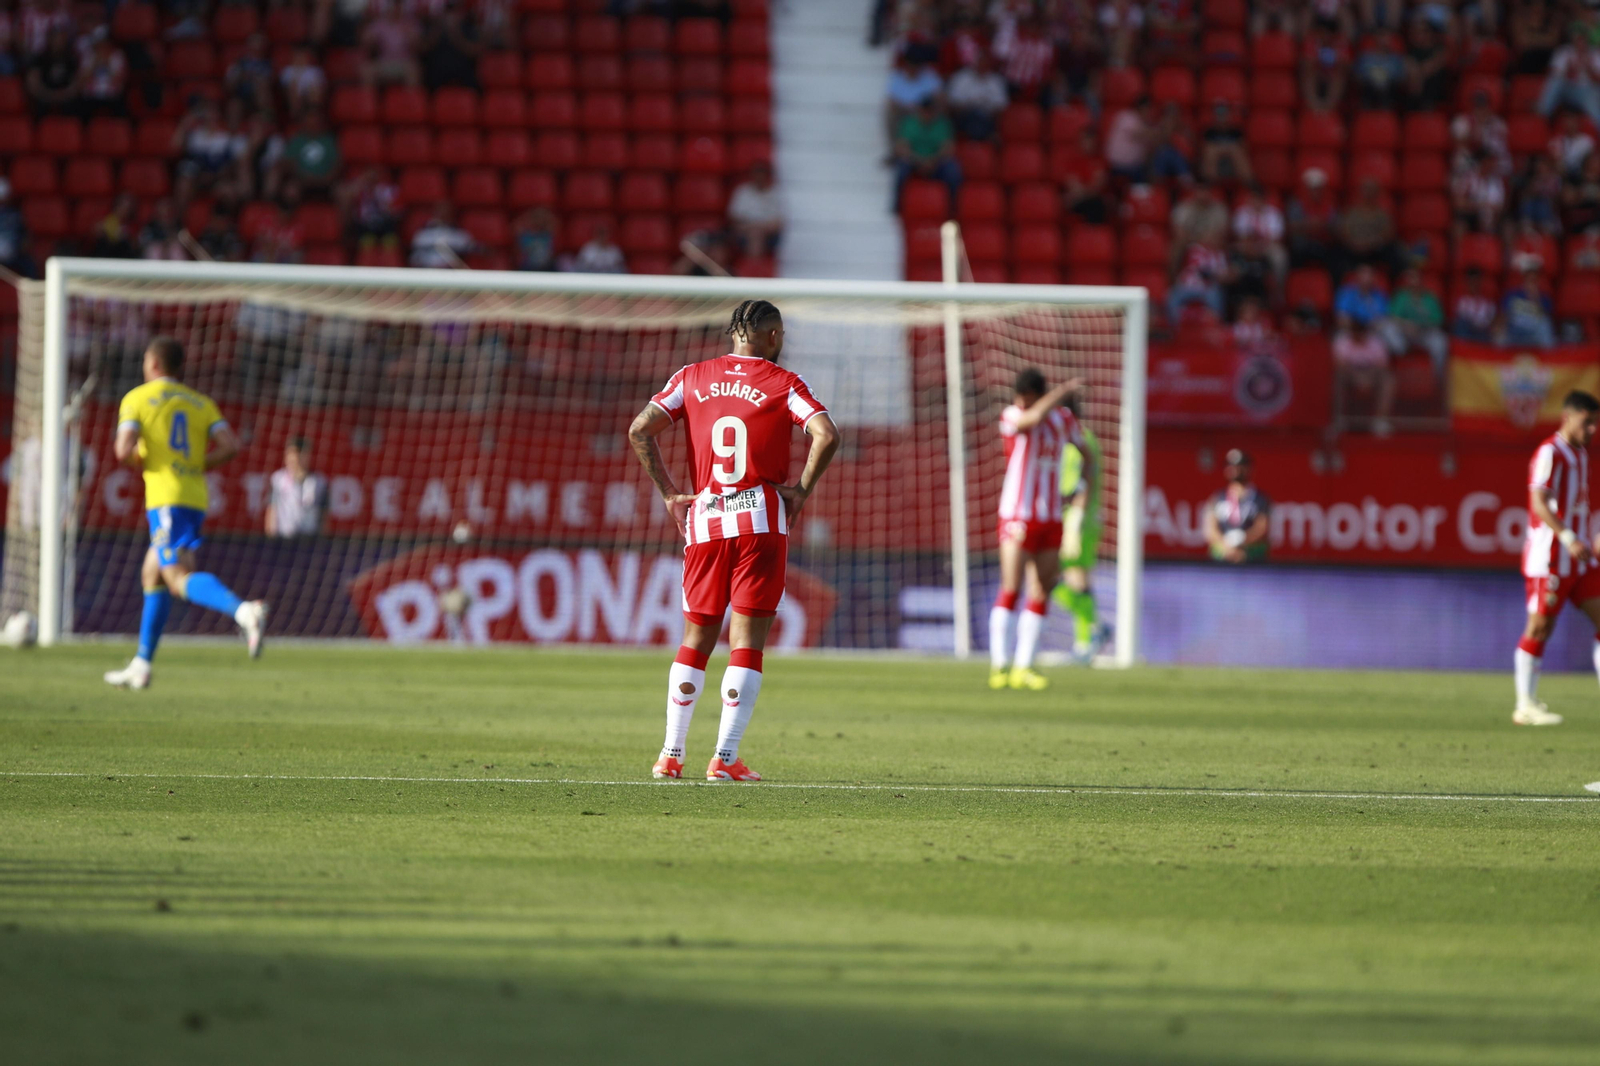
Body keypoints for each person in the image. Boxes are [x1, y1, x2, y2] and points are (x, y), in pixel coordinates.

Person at [627, 300, 840, 782]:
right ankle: (724, 758)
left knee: (695, 639)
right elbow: (826, 434)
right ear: (774, 336)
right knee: (746, 643)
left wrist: (670, 494)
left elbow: (640, 429)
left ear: (733, 334)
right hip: (760, 521)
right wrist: (801, 491)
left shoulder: (691, 377)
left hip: (705, 520)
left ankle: (670, 754)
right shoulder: (784, 383)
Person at [102, 337, 267, 690]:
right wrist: (193, 465)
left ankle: (244, 611)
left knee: (177, 578)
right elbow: (230, 446)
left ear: (153, 363)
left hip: (165, 499)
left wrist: (145, 459)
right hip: (194, 496)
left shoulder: (137, 398)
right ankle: (142, 664)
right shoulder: (200, 402)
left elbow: (122, 450)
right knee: (153, 573)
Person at [989, 368, 1084, 691]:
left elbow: (1084, 452)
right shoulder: (1013, 415)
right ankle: (999, 664)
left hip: (1051, 516)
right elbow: (1030, 420)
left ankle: (1024, 666)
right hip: (1017, 515)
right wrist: (1062, 392)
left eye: (1026, 398)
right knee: (1011, 586)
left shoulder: (1063, 420)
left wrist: (1079, 489)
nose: (1021, 403)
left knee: (1042, 588)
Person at [1512, 390, 1600, 726]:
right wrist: (1567, 536)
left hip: (1580, 557)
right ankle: (1525, 705)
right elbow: (1538, 501)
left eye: (1595, 423)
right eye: (1586, 422)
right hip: (1550, 556)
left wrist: (1586, 536)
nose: (1592, 430)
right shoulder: (1550, 451)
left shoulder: (1580, 454)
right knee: (1540, 626)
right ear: (1567, 417)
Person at [1050, 395, 1105, 663]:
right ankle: (1092, 633)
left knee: (1070, 576)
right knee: (1063, 578)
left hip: (1079, 521)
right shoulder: (1070, 441)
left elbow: (1083, 484)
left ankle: (1088, 638)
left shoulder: (1079, 441)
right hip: (1070, 518)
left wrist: (1074, 522)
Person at [892, 96, 962, 212]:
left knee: (953, 171)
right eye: (925, 111)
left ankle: (952, 208)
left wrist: (932, 161)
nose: (927, 114)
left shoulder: (943, 123)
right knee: (902, 168)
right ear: (919, 110)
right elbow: (902, 147)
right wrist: (919, 160)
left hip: (936, 162)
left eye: (930, 111)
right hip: (914, 161)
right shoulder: (909, 122)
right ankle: (897, 205)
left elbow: (948, 148)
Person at [1203, 448, 1270, 563]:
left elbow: (1262, 528)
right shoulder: (1217, 498)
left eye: (1240, 465)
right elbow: (1210, 530)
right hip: (1223, 555)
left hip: (1250, 554)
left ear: (1249, 468)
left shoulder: (1260, 499)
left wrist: (1242, 541)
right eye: (1231, 465)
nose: (1235, 469)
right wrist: (1227, 547)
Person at [1333, 318, 1396, 434]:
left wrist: (1367, 376)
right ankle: (1339, 418)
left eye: (1361, 332)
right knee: (1337, 377)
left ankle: (1380, 420)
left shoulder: (1376, 342)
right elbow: (1340, 365)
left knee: (1388, 379)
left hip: (1371, 376)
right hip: (1349, 376)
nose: (1358, 335)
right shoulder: (1342, 341)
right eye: (1355, 332)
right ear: (1351, 332)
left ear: (1366, 332)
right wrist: (1357, 376)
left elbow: (1382, 366)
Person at [1387, 267, 1450, 375]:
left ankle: (1438, 377)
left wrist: (1421, 325)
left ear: (1421, 281)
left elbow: (1439, 320)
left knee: (1441, 341)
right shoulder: (1401, 296)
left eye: (1416, 279)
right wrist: (1406, 325)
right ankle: (1397, 368)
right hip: (1404, 333)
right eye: (1411, 279)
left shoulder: (1430, 298)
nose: (1414, 283)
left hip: (1424, 333)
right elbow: (1393, 317)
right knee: (1388, 329)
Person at [1538, 26, 1600, 128]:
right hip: (1567, 89)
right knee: (1556, 82)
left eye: (1583, 39)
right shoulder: (1564, 51)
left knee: (1593, 101)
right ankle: (1541, 114)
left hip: (1587, 91)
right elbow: (1552, 74)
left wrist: (1589, 69)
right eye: (1578, 39)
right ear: (1573, 40)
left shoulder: (1595, 54)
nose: (1581, 43)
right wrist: (1569, 71)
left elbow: (1598, 81)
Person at [265, 437, 327, 538]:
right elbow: (272, 510)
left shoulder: (320, 482)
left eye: (298, 454)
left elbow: (324, 516)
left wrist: (321, 540)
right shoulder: (278, 480)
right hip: (283, 539)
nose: (293, 458)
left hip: (310, 539)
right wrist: (271, 539)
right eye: (290, 454)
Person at [945, 51, 1009, 141]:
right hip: (964, 116)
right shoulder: (961, 77)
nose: (982, 65)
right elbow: (953, 103)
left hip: (987, 117)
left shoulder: (997, 81)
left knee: (980, 118)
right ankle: (984, 135)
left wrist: (983, 108)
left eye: (985, 63)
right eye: (980, 62)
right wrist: (971, 107)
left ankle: (976, 136)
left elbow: (1000, 106)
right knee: (973, 116)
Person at [726, 161, 784, 257]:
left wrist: (760, 228)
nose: (759, 178)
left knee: (757, 233)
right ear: (752, 175)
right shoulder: (742, 192)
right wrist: (752, 227)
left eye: (762, 175)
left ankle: (753, 261)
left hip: (767, 232)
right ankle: (756, 262)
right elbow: (734, 217)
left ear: (767, 176)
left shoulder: (775, 194)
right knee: (753, 233)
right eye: (757, 174)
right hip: (745, 230)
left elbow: (779, 222)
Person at [1500, 265, 1555, 347]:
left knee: (1545, 324)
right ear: (1524, 280)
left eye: (1533, 280)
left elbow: (1546, 319)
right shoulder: (1513, 295)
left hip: (1534, 331)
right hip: (1515, 329)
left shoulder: (1544, 299)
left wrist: (1535, 298)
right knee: (1500, 330)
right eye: (1529, 280)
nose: (1531, 283)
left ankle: (1548, 355)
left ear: (1538, 282)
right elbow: (1504, 314)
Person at [410, 201, 476, 267]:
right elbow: (415, 257)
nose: (442, 215)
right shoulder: (423, 234)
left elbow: (471, 250)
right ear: (435, 213)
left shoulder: (460, 235)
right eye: (440, 212)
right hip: (425, 270)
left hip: (450, 271)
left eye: (446, 212)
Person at [1452, 265, 1498, 340]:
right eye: (1471, 282)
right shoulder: (1462, 301)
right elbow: (1462, 319)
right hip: (1467, 331)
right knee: (1461, 324)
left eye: (1476, 281)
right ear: (1467, 283)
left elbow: (1491, 321)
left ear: (1480, 282)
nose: (1474, 284)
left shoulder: (1488, 303)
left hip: (1482, 332)